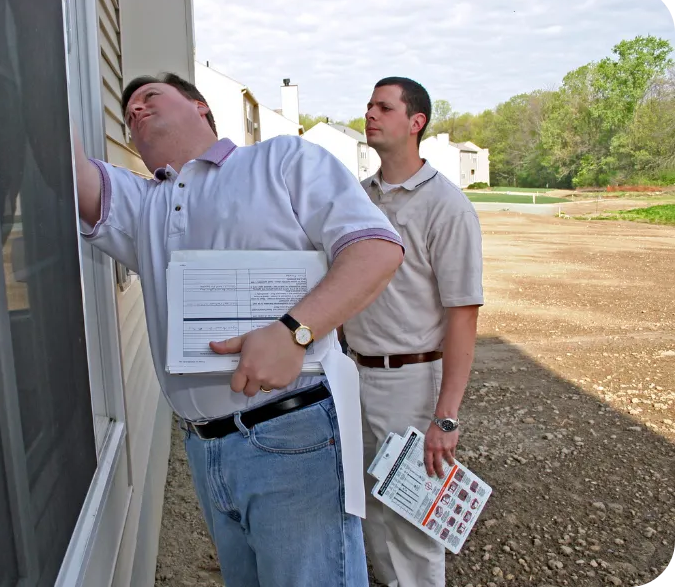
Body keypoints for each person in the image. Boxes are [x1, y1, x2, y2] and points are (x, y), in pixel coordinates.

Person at [73, 72, 404, 586]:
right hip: (205, 448)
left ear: (201, 107)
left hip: (293, 435)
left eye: (149, 97)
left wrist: (294, 331)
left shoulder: (281, 161)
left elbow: (375, 249)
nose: (135, 111)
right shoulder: (145, 205)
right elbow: (70, 169)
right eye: (127, 110)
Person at [341, 77, 484, 587]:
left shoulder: (446, 207)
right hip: (354, 373)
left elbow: (463, 314)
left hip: (412, 382)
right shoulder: (359, 198)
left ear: (416, 122)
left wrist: (445, 417)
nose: (370, 114)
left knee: (412, 519)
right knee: (370, 510)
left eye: (384, 107)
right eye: (368, 105)